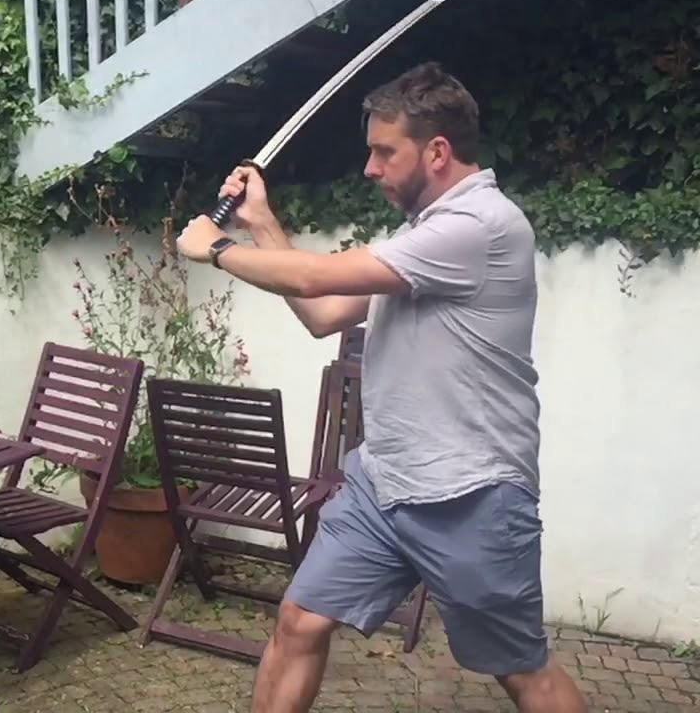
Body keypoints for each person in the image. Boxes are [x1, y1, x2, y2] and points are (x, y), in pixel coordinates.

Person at [173, 62, 588, 713]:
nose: (370, 168)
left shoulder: (478, 227)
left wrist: (218, 246)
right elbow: (325, 313)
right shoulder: (423, 235)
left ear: (438, 151)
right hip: (384, 483)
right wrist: (259, 222)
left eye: (383, 152)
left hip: (469, 494)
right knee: (298, 623)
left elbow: (314, 278)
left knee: (521, 669)